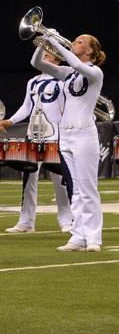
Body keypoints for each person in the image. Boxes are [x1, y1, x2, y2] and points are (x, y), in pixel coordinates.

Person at [31, 35, 106, 253]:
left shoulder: (94, 72)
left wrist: (55, 44)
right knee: (75, 190)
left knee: (87, 188)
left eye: (80, 42)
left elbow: (74, 61)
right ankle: (78, 237)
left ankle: (94, 237)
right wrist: (43, 41)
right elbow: (37, 64)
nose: (74, 42)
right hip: (66, 135)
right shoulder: (68, 73)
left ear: (90, 51)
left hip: (84, 134)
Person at [1, 51, 72, 233]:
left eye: (47, 56)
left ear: (57, 61)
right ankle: (26, 222)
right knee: (28, 178)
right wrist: (11, 121)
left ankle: (66, 219)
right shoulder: (32, 81)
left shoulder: (63, 81)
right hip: (33, 134)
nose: (43, 59)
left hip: (55, 135)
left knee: (59, 179)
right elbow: (27, 106)